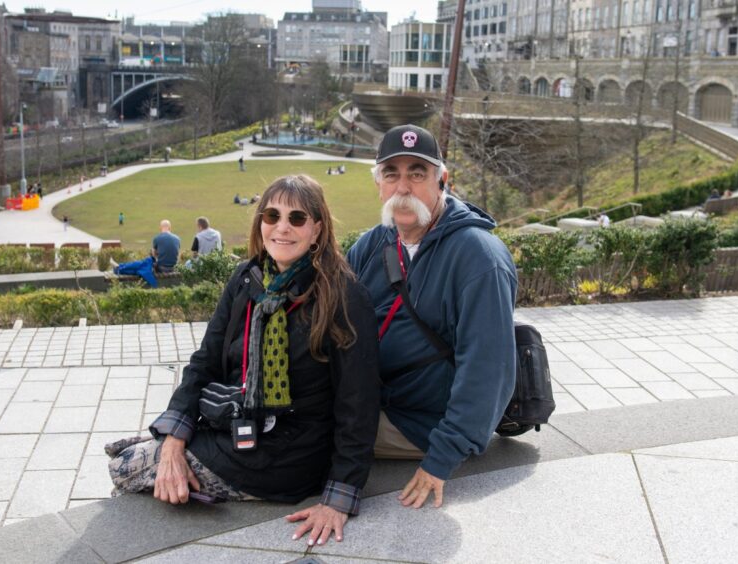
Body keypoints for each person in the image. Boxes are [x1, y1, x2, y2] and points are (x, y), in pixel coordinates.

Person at [106, 175, 380, 546]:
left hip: (289, 455)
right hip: (237, 425)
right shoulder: (246, 279)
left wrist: (339, 499)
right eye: (272, 215)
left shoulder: (343, 295)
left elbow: (359, 403)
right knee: (138, 450)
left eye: (297, 218)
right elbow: (204, 361)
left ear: (317, 229)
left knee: (123, 467)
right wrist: (174, 438)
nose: (282, 227)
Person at [346, 124, 518, 510]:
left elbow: (488, 369)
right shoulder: (374, 243)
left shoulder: (479, 257)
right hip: (373, 398)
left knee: (301, 431)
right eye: (391, 174)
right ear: (378, 183)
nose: (403, 188)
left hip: (422, 422)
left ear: (442, 179)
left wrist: (441, 459)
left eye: (417, 173)